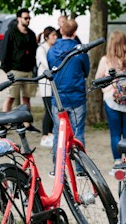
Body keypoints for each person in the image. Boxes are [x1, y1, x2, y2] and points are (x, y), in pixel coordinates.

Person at [95, 31, 126, 172]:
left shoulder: (106, 60)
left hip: (112, 100)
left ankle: (117, 163)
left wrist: (107, 89)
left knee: (115, 133)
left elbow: (98, 80)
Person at [47, 19, 88, 175]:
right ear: (75, 32)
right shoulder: (79, 50)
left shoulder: (52, 50)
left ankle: (58, 167)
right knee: (78, 133)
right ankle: (80, 168)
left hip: (59, 97)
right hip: (77, 95)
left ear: (61, 31)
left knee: (59, 133)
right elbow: (86, 70)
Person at [0, 9, 40, 133]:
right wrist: (7, 69)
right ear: (19, 18)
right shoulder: (11, 33)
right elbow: (4, 51)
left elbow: (34, 53)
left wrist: (34, 69)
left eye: (29, 18)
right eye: (25, 18)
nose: (27, 20)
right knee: (11, 96)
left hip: (28, 70)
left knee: (27, 98)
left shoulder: (31, 34)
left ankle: (26, 123)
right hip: (15, 70)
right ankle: (4, 122)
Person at [36, 26, 57, 148]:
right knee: (48, 109)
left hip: (52, 81)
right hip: (45, 82)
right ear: (47, 37)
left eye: (56, 35)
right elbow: (46, 64)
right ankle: (45, 134)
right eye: (53, 35)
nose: (55, 38)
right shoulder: (42, 49)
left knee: (53, 108)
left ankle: (50, 132)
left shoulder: (53, 48)